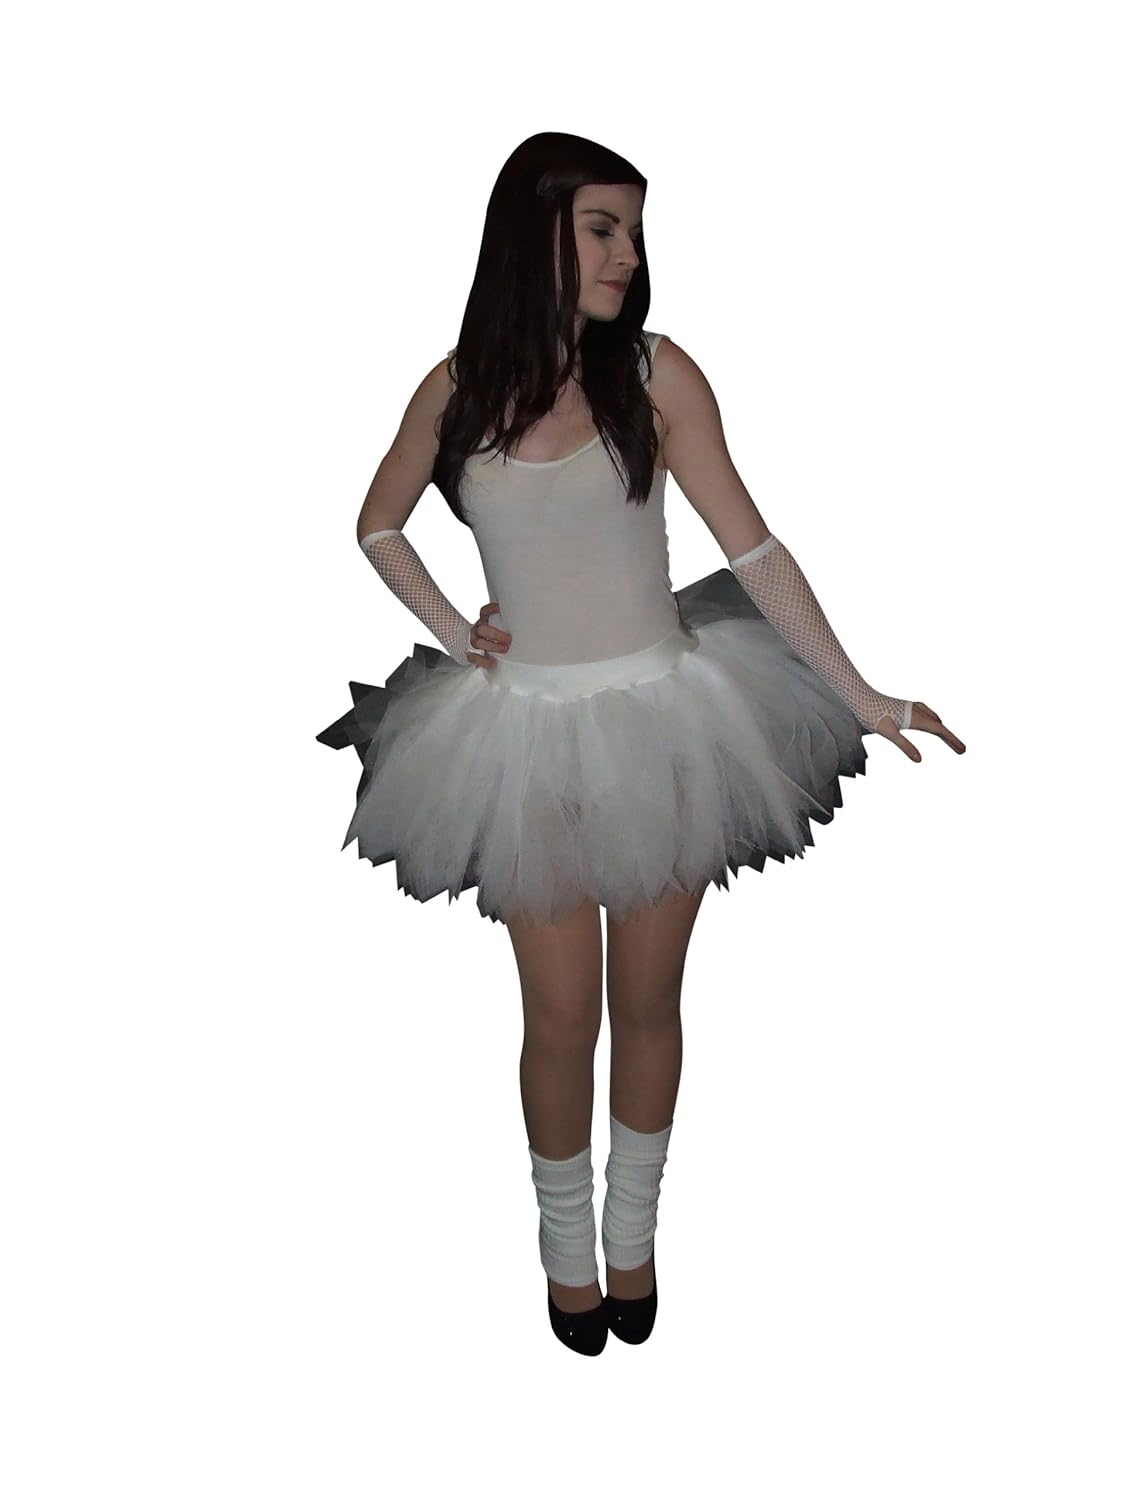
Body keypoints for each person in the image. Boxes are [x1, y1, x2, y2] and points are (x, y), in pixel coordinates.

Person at [316, 132, 966, 1357]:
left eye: (634, 230)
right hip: (521, 739)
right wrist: (460, 635)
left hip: (666, 726)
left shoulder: (659, 375)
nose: (627, 253)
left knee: (649, 1001)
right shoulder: (457, 389)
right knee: (559, 1014)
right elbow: (377, 525)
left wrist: (861, 692)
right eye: (602, 228)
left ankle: (633, 1239)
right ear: (536, 236)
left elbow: (753, 547)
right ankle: (565, 1249)